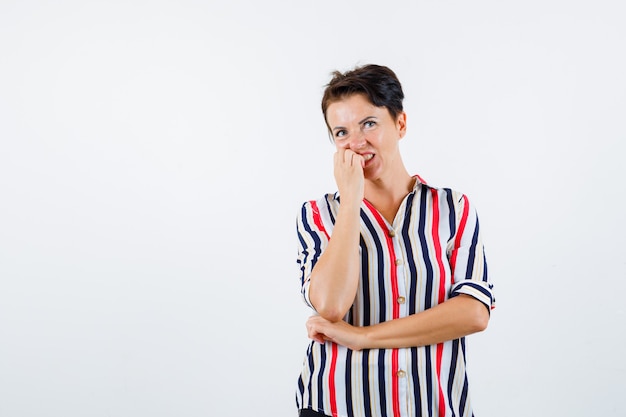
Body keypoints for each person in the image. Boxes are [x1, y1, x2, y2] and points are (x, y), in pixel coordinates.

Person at [295, 64, 495, 417]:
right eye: (341, 132)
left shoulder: (453, 208)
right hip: (339, 406)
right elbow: (329, 306)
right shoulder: (318, 215)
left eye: (369, 123)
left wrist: (364, 337)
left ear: (400, 123)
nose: (356, 142)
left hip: (433, 406)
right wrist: (351, 200)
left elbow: (474, 313)